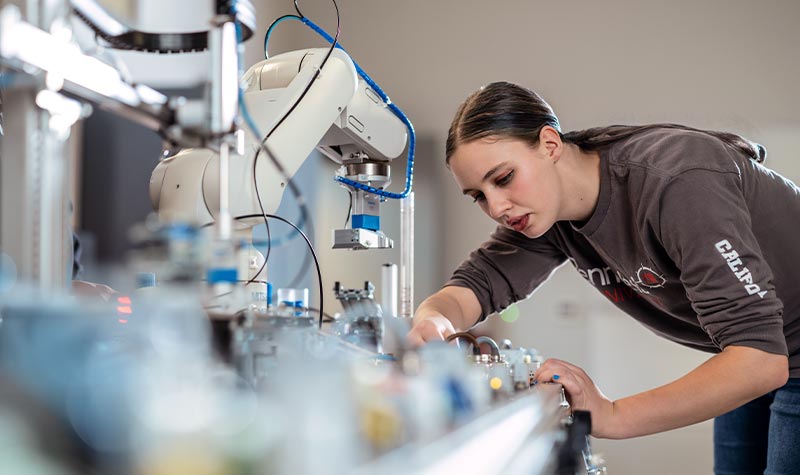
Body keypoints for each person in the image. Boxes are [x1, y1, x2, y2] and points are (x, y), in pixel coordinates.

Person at [408, 81, 799, 474]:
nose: (496, 207)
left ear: (549, 144)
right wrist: (433, 322)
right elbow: (474, 287)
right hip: (758, 352)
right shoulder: (547, 214)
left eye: (504, 178)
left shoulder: (676, 182)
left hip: (767, 354)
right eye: (477, 195)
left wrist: (611, 414)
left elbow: (760, 361)